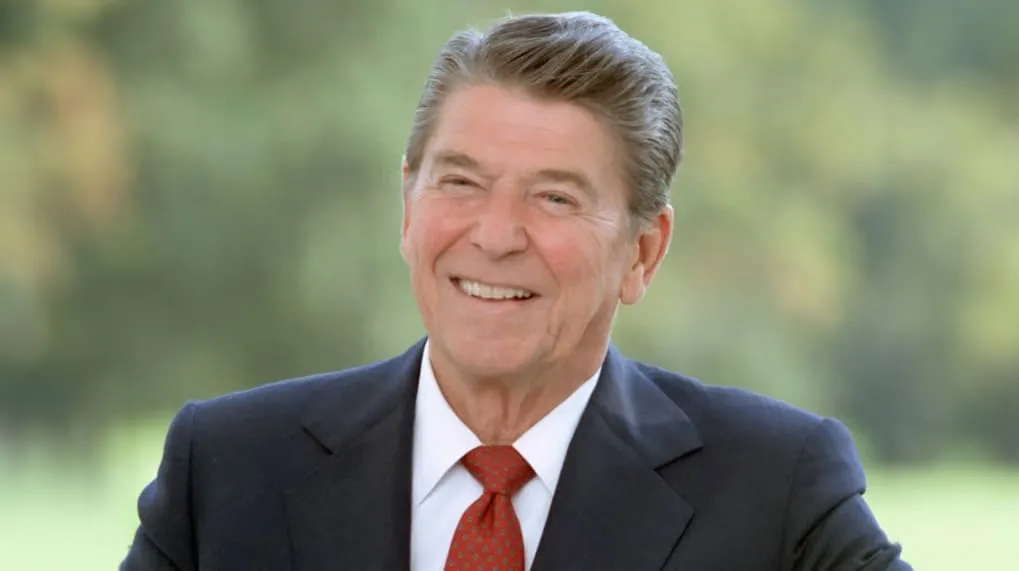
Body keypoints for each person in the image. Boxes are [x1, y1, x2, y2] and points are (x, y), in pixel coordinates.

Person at [121, 11, 911, 571]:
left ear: (642, 251)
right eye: (460, 181)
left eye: (554, 197)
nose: (495, 234)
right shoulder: (226, 470)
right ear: (408, 207)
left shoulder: (773, 489)